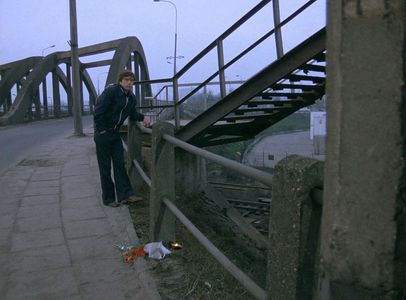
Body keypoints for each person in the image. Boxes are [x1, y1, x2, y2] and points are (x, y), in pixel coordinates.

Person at [93, 70, 150, 207]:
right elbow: (98, 112)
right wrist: (101, 131)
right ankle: (109, 199)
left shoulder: (131, 97)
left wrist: (144, 118)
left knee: (119, 165)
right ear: (120, 81)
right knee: (105, 168)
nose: (129, 82)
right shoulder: (111, 92)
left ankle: (126, 195)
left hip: (115, 134)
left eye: (131, 80)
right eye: (126, 80)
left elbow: (132, 113)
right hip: (103, 135)